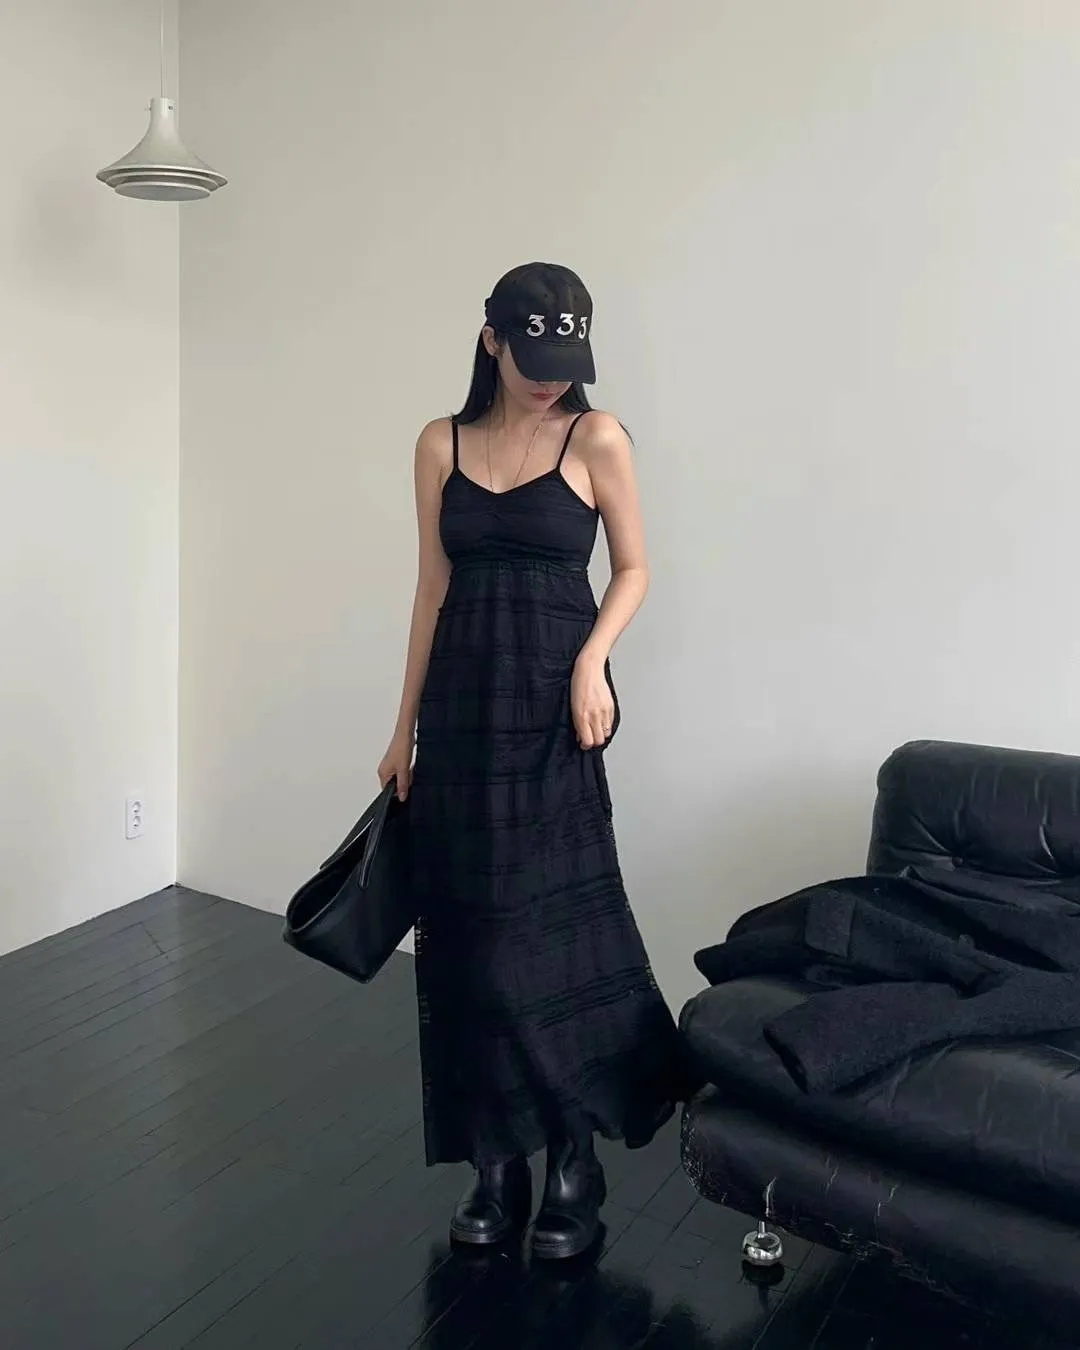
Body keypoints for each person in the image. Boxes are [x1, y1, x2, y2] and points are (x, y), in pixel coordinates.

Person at [379, 262, 693, 1260]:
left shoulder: (596, 439)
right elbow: (431, 587)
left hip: (557, 708)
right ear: (492, 340)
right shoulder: (440, 443)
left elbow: (634, 568)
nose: (553, 378)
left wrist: (593, 661)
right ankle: (496, 1156)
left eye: (569, 359)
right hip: (462, 709)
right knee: (466, 936)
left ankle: (570, 1156)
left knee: (548, 935)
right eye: (534, 357)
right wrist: (403, 727)